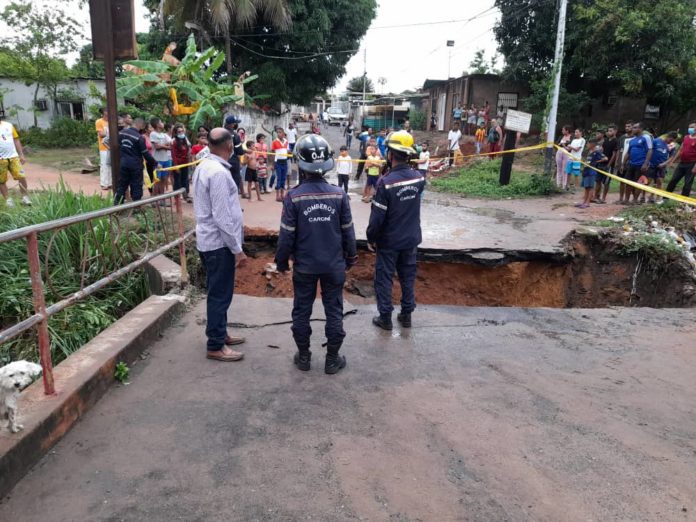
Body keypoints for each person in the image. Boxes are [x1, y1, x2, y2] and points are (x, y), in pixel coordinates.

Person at [275, 133, 357, 374]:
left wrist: (281, 262)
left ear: (300, 164)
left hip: (304, 267)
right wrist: (351, 258)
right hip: (333, 266)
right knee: (334, 311)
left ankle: (303, 357)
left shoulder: (294, 197)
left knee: (302, 311)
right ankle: (332, 360)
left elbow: (286, 235)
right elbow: (348, 232)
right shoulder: (339, 195)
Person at [192, 128, 248, 362]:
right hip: (218, 244)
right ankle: (215, 345)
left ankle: (220, 333)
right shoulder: (219, 173)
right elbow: (222, 217)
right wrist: (237, 249)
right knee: (219, 295)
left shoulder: (204, 166)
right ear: (229, 146)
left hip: (209, 241)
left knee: (218, 292)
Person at [367, 130, 425, 330]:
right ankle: (406, 315)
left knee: (384, 278)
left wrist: (371, 237)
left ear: (390, 153)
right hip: (410, 239)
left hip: (389, 241)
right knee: (407, 277)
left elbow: (377, 218)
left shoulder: (385, 183)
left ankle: (385, 318)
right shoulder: (418, 178)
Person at [114, 118, 156, 205]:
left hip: (123, 164)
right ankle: (136, 207)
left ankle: (117, 207)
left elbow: (118, 147)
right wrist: (155, 163)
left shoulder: (121, 133)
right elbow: (146, 154)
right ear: (141, 125)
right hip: (135, 165)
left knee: (122, 185)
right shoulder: (139, 137)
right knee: (136, 186)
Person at [0, 109, 31, 207]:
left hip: (14, 157)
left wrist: (21, 154)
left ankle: (25, 197)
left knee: (21, 177)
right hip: (1, 160)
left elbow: (16, 140)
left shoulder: (8, 125)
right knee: (1, 180)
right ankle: (8, 200)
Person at [622, 122, 653, 204]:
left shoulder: (646, 137)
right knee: (628, 182)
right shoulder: (632, 140)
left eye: (635, 127)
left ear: (640, 129)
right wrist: (623, 163)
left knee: (639, 183)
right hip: (631, 164)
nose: (633, 129)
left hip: (641, 164)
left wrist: (646, 163)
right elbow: (628, 153)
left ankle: (635, 200)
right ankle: (626, 199)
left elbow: (650, 150)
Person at [666, 122, 696, 198]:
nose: (690, 129)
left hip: (691, 164)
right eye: (689, 127)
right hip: (682, 163)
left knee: (687, 184)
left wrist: (695, 167)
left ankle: (683, 202)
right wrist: (672, 161)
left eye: (692, 127)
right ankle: (665, 198)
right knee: (673, 180)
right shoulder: (686, 137)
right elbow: (680, 150)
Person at [644, 132, 676, 203]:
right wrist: (646, 162)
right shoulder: (656, 141)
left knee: (659, 182)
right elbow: (649, 151)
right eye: (670, 140)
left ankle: (658, 198)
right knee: (648, 181)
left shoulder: (671, 145)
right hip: (651, 165)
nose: (671, 142)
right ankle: (646, 197)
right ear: (667, 136)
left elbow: (672, 157)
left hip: (662, 167)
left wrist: (664, 164)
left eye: (672, 141)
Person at [576, 139, 607, 209]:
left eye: (588, 144)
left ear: (592, 144)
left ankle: (587, 203)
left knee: (590, 187)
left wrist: (596, 162)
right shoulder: (589, 152)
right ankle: (584, 201)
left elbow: (605, 158)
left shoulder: (596, 152)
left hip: (591, 172)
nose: (587, 145)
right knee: (586, 187)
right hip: (586, 171)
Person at [592, 125, 618, 203]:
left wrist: (609, 164)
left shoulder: (616, 141)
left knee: (606, 182)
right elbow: (602, 151)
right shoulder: (605, 140)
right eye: (608, 131)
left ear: (615, 131)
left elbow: (614, 154)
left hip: (609, 165)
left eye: (611, 131)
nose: (609, 132)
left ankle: (603, 198)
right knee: (598, 180)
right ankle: (596, 196)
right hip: (601, 163)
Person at [223, 114, 246, 198]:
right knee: (234, 184)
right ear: (232, 124)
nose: (236, 125)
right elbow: (240, 152)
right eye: (235, 123)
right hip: (233, 162)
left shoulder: (220, 133)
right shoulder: (235, 135)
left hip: (221, 161)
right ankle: (233, 206)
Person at [149, 117, 172, 198]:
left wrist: (164, 146)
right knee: (157, 180)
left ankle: (161, 199)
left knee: (163, 179)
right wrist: (167, 147)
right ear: (157, 124)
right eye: (161, 121)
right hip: (157, 160)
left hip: (166, 160)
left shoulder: (164, 135)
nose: (163, 123)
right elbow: (157, 147)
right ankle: (154, 199)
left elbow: (170, 143)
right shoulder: (153, 134)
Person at [171, 123, 192, 202]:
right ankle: (177, 196)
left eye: (182, 131)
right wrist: (176, 166)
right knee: (177, 180)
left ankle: (186, 195)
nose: (181, 133)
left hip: (185, 163)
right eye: (179, 132)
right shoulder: (173, 141)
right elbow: (174, 155)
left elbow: (188, 150)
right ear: (176, 133)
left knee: (185, 179)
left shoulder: (185, 140)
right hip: (177, 164)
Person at [616, 120, 634, 204]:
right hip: (622, 162)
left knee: (629, 182)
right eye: (626, 126)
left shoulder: (635, 137)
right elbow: (619, 150)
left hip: (631, 163)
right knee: (622, 181)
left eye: (629, 126)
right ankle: (620, 198)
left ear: (633, 127)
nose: (627, 128)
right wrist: (618, 162)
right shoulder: (622, 137)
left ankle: (627, 199)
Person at [95, 107, 111, 190]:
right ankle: (104, 183)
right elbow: (101, 134)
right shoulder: (99, 121)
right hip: (104, 147)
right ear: (103, 112)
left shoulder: (111, 121)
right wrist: (110, 131)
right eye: (106, 110)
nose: (108, 112)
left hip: (112, 146)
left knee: (111, 165)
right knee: (104, 165)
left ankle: (111, 182)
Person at [272, 128, 289, 201]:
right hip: (278, 162)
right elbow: (272, 153)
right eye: (277, 132)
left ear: (283, 133)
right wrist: (273, 164)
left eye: (280, 132)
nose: (278, 134)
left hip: (284, 161)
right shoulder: (275, 142)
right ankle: (277, 196)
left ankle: (282, 195)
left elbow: (288, 151)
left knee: (283, 178)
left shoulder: (286, 141)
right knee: (279, 178)